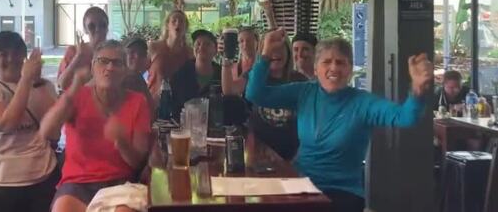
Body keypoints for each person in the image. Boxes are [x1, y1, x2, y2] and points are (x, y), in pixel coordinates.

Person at [246, 29, 433, 212]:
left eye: (341, 63)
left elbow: (406, 117)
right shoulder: (304, 92)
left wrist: (417, 91)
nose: (334, 67)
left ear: (350, 69)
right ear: (316, 69)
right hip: (299, 184)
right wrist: (265, 55)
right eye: (327, 62)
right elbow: (255, 94)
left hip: (342, 192)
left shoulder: (363, 102)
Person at [41, 40, 151, 212]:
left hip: (119, 183)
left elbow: (137, 162)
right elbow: (46, 131)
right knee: (63, 209)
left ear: (125, 71)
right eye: (103, 61)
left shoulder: (137, 101)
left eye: (117, 63)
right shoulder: (77, 95)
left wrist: (122, 141)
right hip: (76, 185)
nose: (110, 68)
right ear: (93, 67)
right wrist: (75, 87)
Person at [0, 31, 59, 212]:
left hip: (43, 176)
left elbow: (54, 133)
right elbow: (7, 123)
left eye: (17, 53)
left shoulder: (44, 87)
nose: (12, 59)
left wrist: (37, 85)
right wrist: (26, 80)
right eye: (3, 54)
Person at [223, 33, 305, 159]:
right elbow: (230, 90)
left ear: (288, 52)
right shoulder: (255, 76)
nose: (275, 54)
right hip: (258, 147)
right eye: (271, 50)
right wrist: (226, 59)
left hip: (291, 152)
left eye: (280, 49)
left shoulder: (300, 80)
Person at [169, 29, 221, 121]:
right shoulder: (180, 76)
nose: (201, 47)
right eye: (198, 44)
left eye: (207, 44)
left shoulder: (222, 75)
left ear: (215, 50)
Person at [58, 6, 109, 90]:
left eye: (102, 25)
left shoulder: (113, 52)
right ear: (85, 29)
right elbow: (61, 84)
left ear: (107, 28)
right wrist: (78, 57)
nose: (97, 29)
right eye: (91, 26)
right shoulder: (74, 51)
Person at [147, 10, 194, 99]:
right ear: (168, 25)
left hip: (178, 104)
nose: (177, 23)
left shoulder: (190, 53)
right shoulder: (154, 47)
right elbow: (138, 70)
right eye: (174, 21)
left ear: (185, 27)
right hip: (154, 104)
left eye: (181, 21)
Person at [122, 37, 154, 112]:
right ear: (123, 56)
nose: (137, 57)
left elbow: (150, 108)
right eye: (132, 52)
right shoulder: (121, 80)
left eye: (141, 54)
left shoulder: (139, 78)